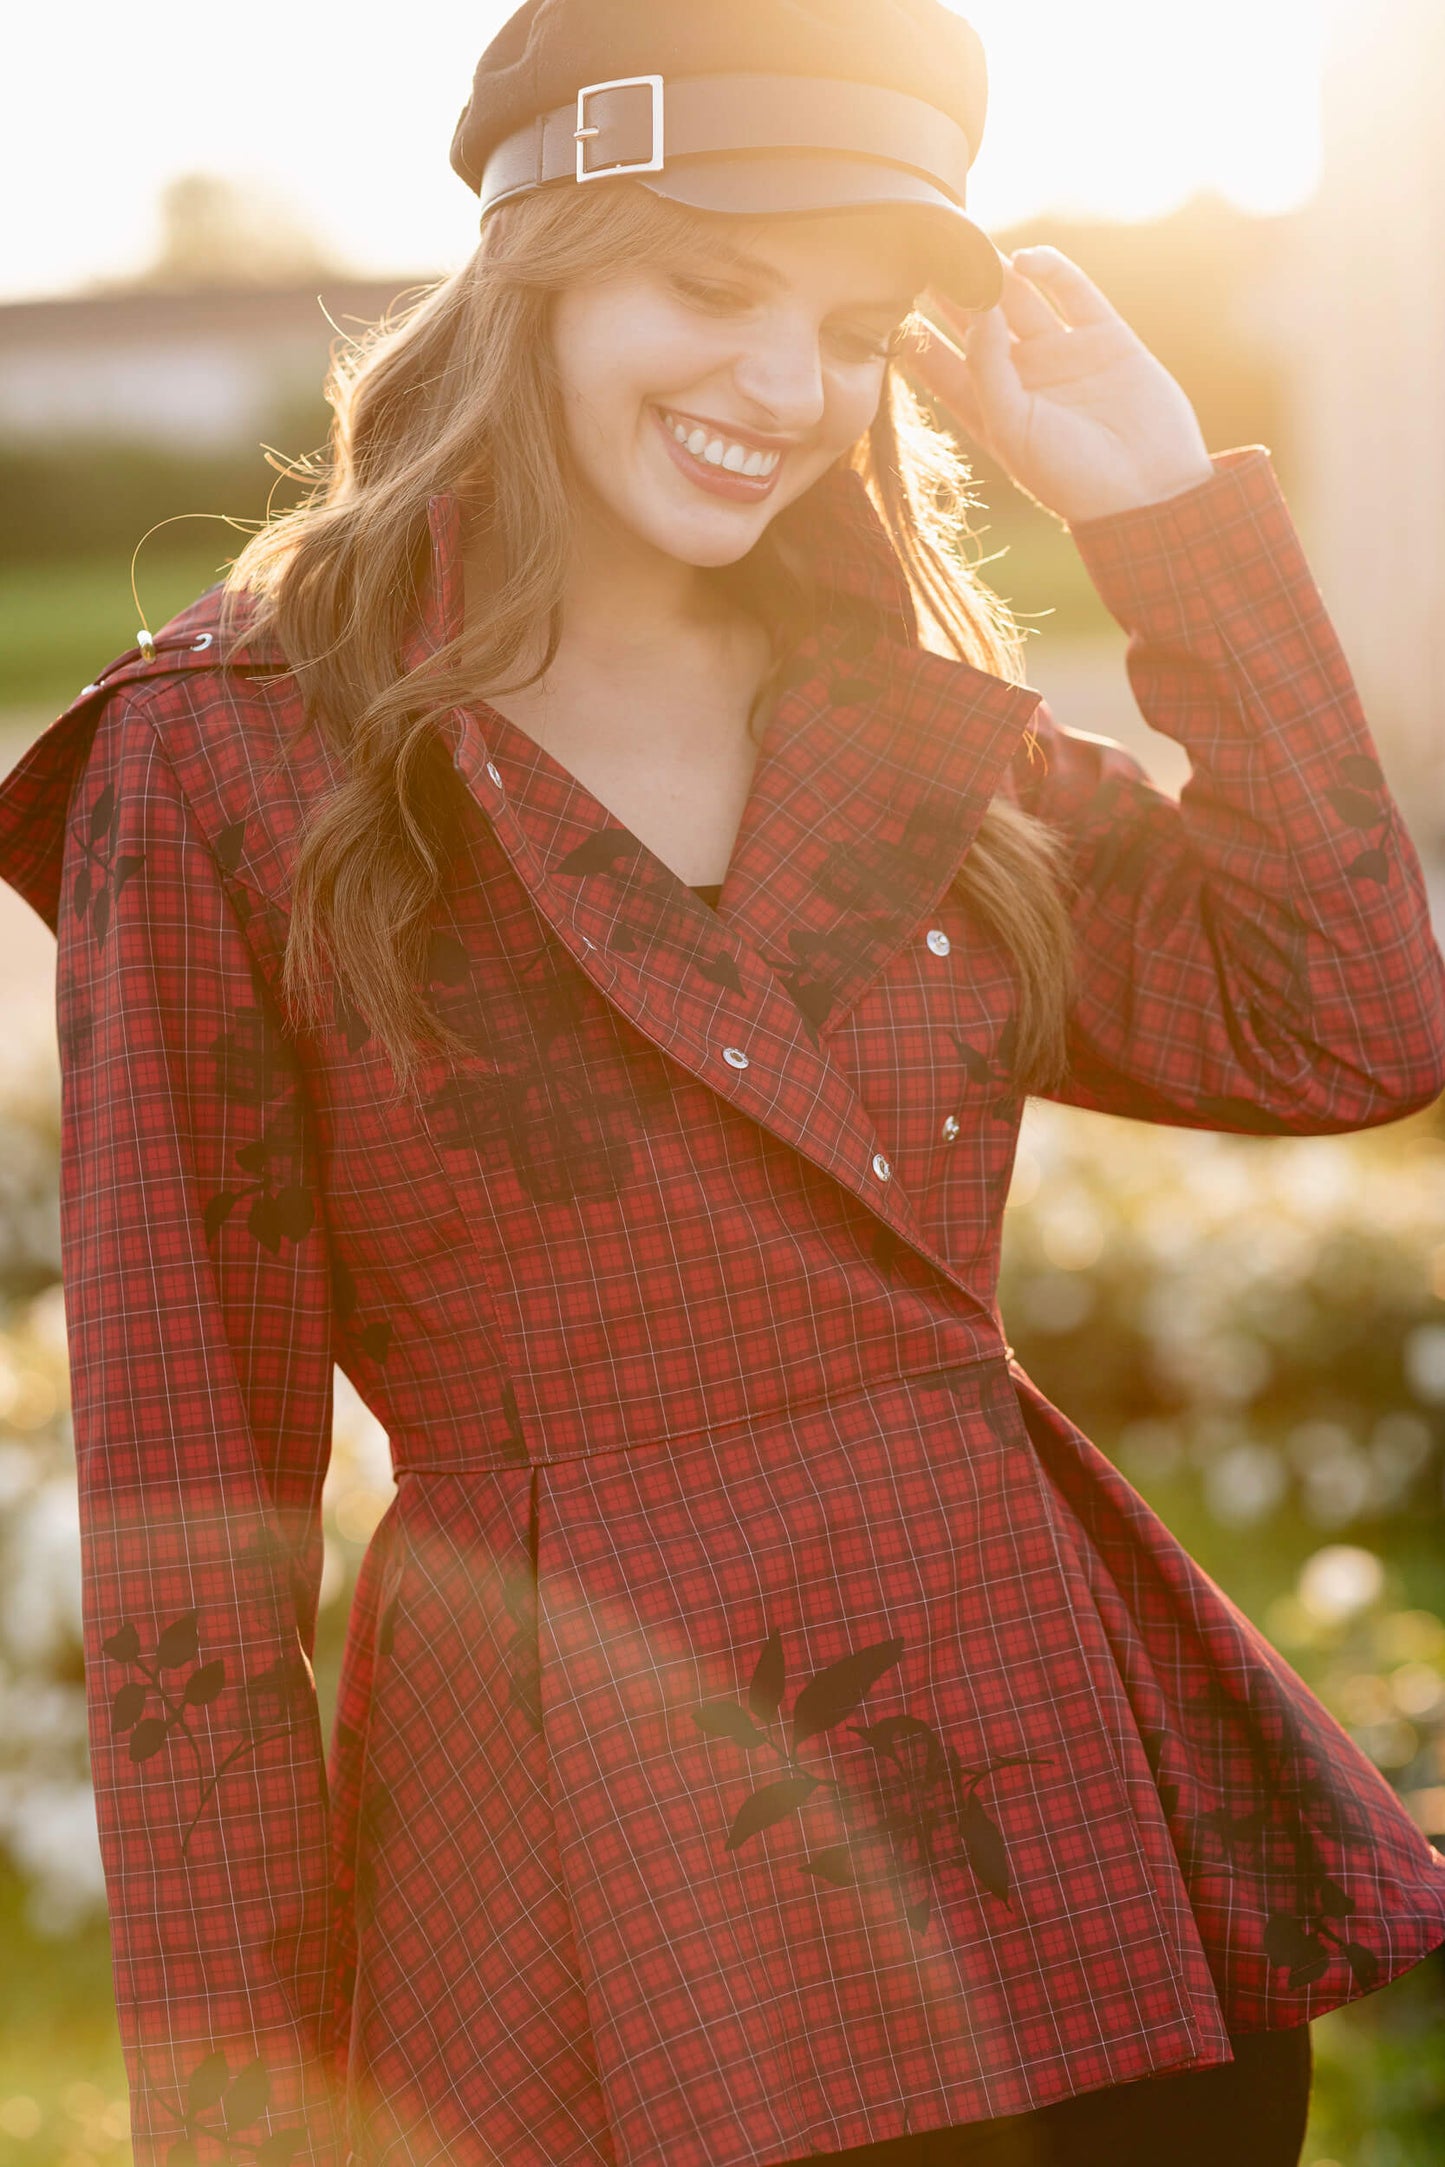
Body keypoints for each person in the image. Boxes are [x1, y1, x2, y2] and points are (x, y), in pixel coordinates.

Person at [2, 1, 1444, 2163]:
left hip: (1070, 1832)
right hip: (608, 1884)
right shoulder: (229, 754)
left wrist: (1166, 519)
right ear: (542, 258)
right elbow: (190, 1543)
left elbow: (1344, 1018)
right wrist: (244, 2113)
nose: (788, 389)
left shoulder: (917, 723)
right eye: (711, 284)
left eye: (857, 328)